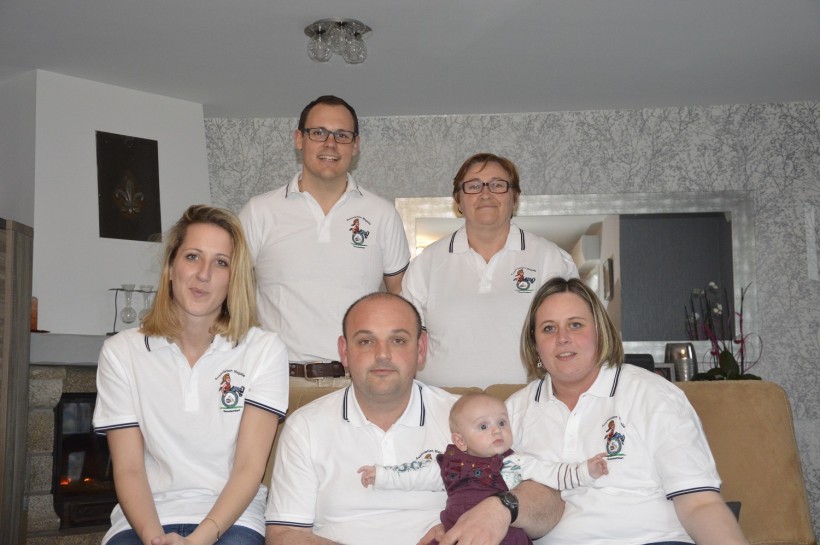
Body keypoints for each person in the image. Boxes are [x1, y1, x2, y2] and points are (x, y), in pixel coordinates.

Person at [264, 293, 565, 545]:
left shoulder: (466, 417)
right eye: (366, 341)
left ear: (420, 350)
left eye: (397, 340)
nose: (382, 354)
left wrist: (502, 508)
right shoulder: (305, 426)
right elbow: (284, 534)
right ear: (344, 352)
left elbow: (549, 505)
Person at [488, 277, 747, 545]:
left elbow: (700, 504)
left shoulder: (653, 395)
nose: (562, 338)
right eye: (549, 328)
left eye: (575, 325)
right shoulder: (512, 412)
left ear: (600, 333)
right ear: (535, 345)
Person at [93, 205, 289, 545]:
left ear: (234, 277)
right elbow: (128, 470)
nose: (204, 274)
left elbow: (248, 469)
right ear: (170, 267)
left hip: (233, 520)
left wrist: (200, 538)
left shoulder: (265, 350)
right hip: (144, 520)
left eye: (221, 262)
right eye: (193, 257)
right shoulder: (122, 352)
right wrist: (155, 538)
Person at [239, 95, 411, 386]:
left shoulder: (382, 214)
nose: (330, 144)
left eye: (342, 135)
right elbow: (230, 292)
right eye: (318, 133)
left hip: (357, 384)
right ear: (299, 139)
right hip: (276, 383)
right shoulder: (259, 212)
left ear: (355, 145)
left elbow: (404, 298)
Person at [402, 152, 578, 388]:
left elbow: (572, 338)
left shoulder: (552, 259)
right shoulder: (426, 263)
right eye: (474, 186)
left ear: (515, 197)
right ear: (458, 201)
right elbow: (404, 341)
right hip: (443, 407)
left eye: (497, 185)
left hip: (527, 406)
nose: (485, 193)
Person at [357, 392, 608, 545]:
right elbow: (414, 474)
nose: (496, 430)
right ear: (460, 441)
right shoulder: (449, 465)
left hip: (501, 535)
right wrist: (382, 474)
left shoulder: (515, 463)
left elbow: (555, 474)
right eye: (483, 427)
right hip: (455, 533)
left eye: (501, 422)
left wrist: (586, 470)